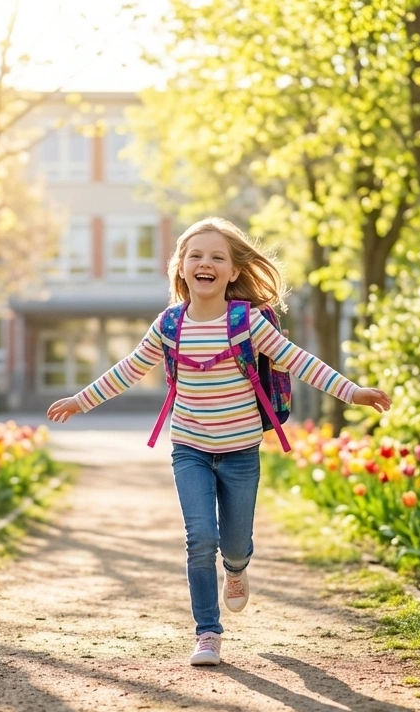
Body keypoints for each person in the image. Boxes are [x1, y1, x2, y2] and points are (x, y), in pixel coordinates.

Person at [47, 217, 391, 666]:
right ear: (180, 267)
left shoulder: (248, 322)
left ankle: (237, 568)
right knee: (199, 538)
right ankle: (207, 632)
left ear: (233, 271)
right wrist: (81, 400)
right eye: (195, 255)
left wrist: (352, 391)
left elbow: (299, 360)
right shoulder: (169, 324)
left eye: (216, 257)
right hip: (189, 448)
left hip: (240, 451)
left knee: (234, 543)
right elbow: (128, 369)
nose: (204, 263)